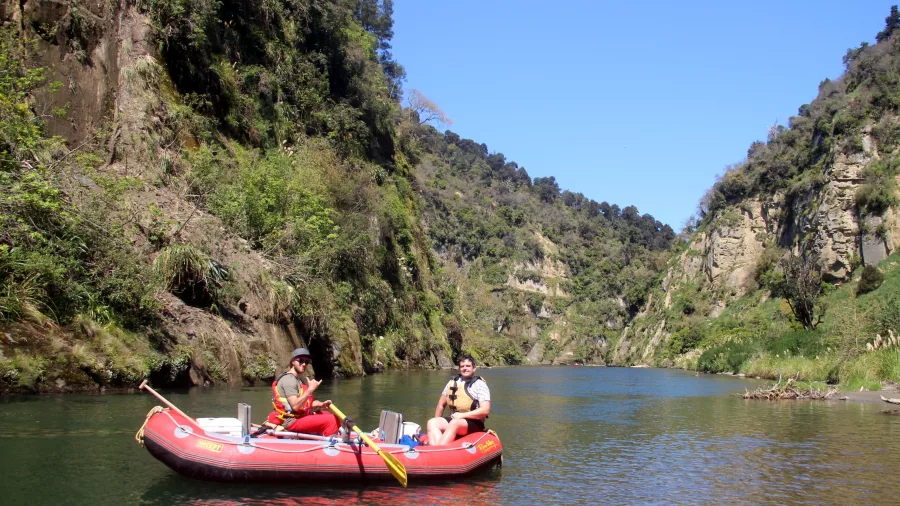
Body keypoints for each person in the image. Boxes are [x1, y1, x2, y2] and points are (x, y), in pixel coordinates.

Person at [266, 347, 341, 436]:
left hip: (298, 417)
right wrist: (309, 390)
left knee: (325, 413)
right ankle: (332, 444)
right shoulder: (289, 380)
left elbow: (305, 404)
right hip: (290, 421)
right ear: (293, 362)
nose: (304, 364)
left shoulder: (298, 379)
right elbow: (295, 406)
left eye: (307, 361)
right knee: (331, 420)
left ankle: (323, 435)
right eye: (300, 361)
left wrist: (321, 404)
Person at [425, 355, 491, 446]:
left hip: (474, 423)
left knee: (455, 423)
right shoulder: (452, 383)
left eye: (468, 366)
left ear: (474, 368)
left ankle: (438, 451)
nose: (465, 368)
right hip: (454, 419)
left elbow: (485, 410)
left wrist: (462, 415)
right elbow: (441, 405)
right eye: (462, 366)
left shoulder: (479, 385)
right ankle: (436, 449)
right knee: (432, 422)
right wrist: (438, 420)